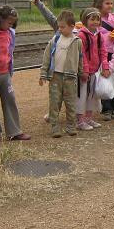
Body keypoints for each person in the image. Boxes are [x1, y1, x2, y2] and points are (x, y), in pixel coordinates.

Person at [0, 6, 30, 141]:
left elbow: (10, 50)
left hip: (5, 73)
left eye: (13, 23)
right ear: (0, 19)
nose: (11, 25)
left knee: (10, 101)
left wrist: (10, 68)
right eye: (9, 23)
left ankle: (14, 131)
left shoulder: (10, 32)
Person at [39, 10, 83, 138]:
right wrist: (43, 73)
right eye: (59, 26)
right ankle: (54, 127)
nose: (60, 29)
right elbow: (47, 57)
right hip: (55, 76)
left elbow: (80, 58)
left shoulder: (77, 41)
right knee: (54, 102)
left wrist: (81, 72)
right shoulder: (55, 39)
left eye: (63, 27)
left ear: (72, 26)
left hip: (70, 77)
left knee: (71, 103)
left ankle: (71, 126)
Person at [77, 8, 110, 130]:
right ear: (85, 20)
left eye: (97, 19)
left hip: (95, 71)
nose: (95, 22)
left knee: (92, 96)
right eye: (92, 19)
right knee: (82, 96)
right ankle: (80, 120)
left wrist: (105, 66)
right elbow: (82, 54)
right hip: (85, 71)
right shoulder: (82, 35)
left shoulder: (99, 34)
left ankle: (89, 118)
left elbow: (103, 51)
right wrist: (84, 70)